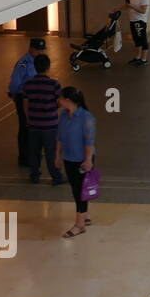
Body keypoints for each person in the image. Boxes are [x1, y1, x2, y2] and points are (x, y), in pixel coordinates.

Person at [56, 87, 96, 238]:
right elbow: (59, 137)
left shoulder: (87, 118)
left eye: (60, 98)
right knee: (76, 188)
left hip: (82, 159)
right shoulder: (63, 116)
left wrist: (88, 160)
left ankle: (79, 225)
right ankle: (84, 216)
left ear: (67, 100)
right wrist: (57, 156)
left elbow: (89, 142)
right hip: (69, 158)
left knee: (81, 191)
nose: (58, 100)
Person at [22, 53, 65, 185]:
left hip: (34, 124)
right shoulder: (54, 84)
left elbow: (25, 103)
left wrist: (29, 118)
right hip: (50, 124)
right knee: (51, 152)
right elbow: (60, 102)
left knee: (34, 152)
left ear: (35, 67)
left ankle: (34, 175)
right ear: (48, 67)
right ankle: (56, 176)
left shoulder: (28, 84)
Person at [7, 38, 47, 166]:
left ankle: (34, 154)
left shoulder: (38, 61)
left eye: (42, 50)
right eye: (38, 50)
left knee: (35, 127)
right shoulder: (23, 63)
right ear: (31, 48)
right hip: (23, 98)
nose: (40, 52)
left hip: (35, 98)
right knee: (25, 127)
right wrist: (15, 96)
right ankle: (24, 157)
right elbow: (14, 83)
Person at [125, 0, 150, 66]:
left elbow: (143, 11)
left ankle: (144, 59)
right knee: (136, 40)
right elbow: (128, 5)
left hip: (140, 21)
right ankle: (137, 57)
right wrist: (118, 8)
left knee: (143, 40)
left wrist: (131, 6)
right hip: (132, 20)